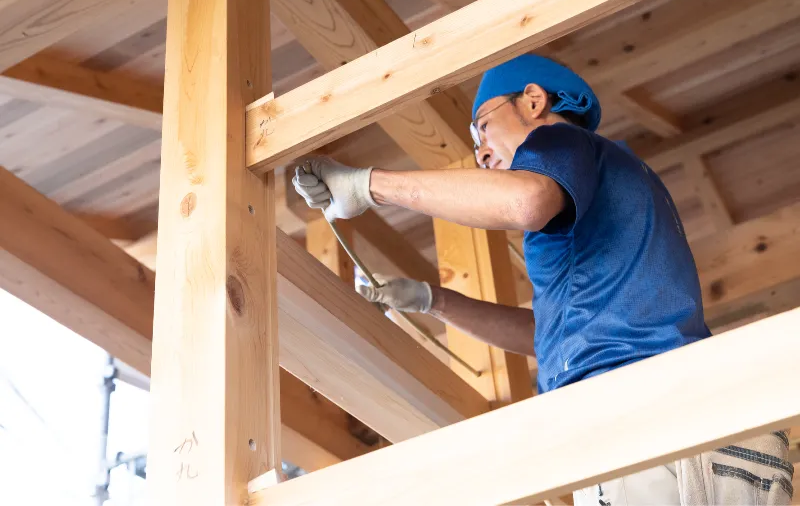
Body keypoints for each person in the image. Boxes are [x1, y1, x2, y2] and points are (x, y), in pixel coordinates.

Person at [292, 54, 793, 506]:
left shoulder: (561, 140)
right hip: (723, 425)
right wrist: (432, 299)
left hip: (637, 415)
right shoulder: (623, 184)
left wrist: (369, 185)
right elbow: (549, 333)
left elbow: (526, 202)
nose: (482, 154)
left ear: (533, 101)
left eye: (483, 129)